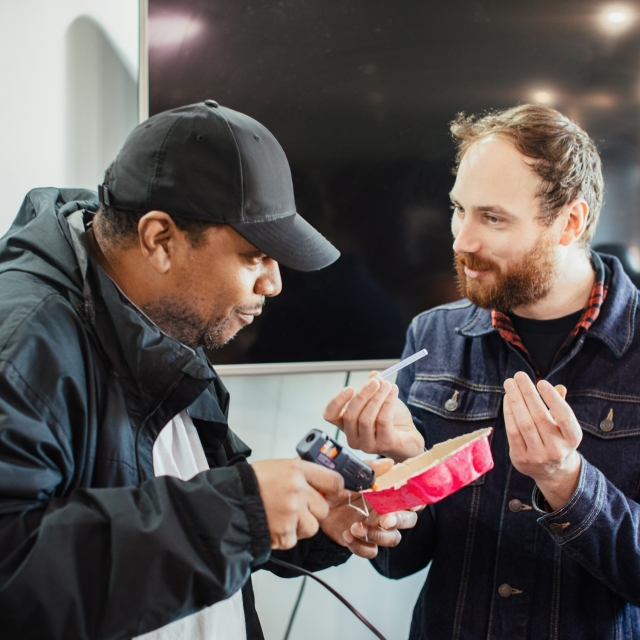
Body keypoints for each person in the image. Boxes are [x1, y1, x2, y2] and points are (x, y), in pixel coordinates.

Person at [0, 102, 418, 640]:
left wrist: (313, 520)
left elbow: (183, 493)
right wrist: (237, 513)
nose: (274, 283)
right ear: (159, 239)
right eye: (254, 257)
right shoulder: (22, 345)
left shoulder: (166, 317)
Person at [324, 104, 640, 638]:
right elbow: (398, 562)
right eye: (459, 209)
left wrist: (567, 483)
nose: (461, 240)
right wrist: (406, 468)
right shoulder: (432, 337)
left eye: (492, 218)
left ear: (570, 222)